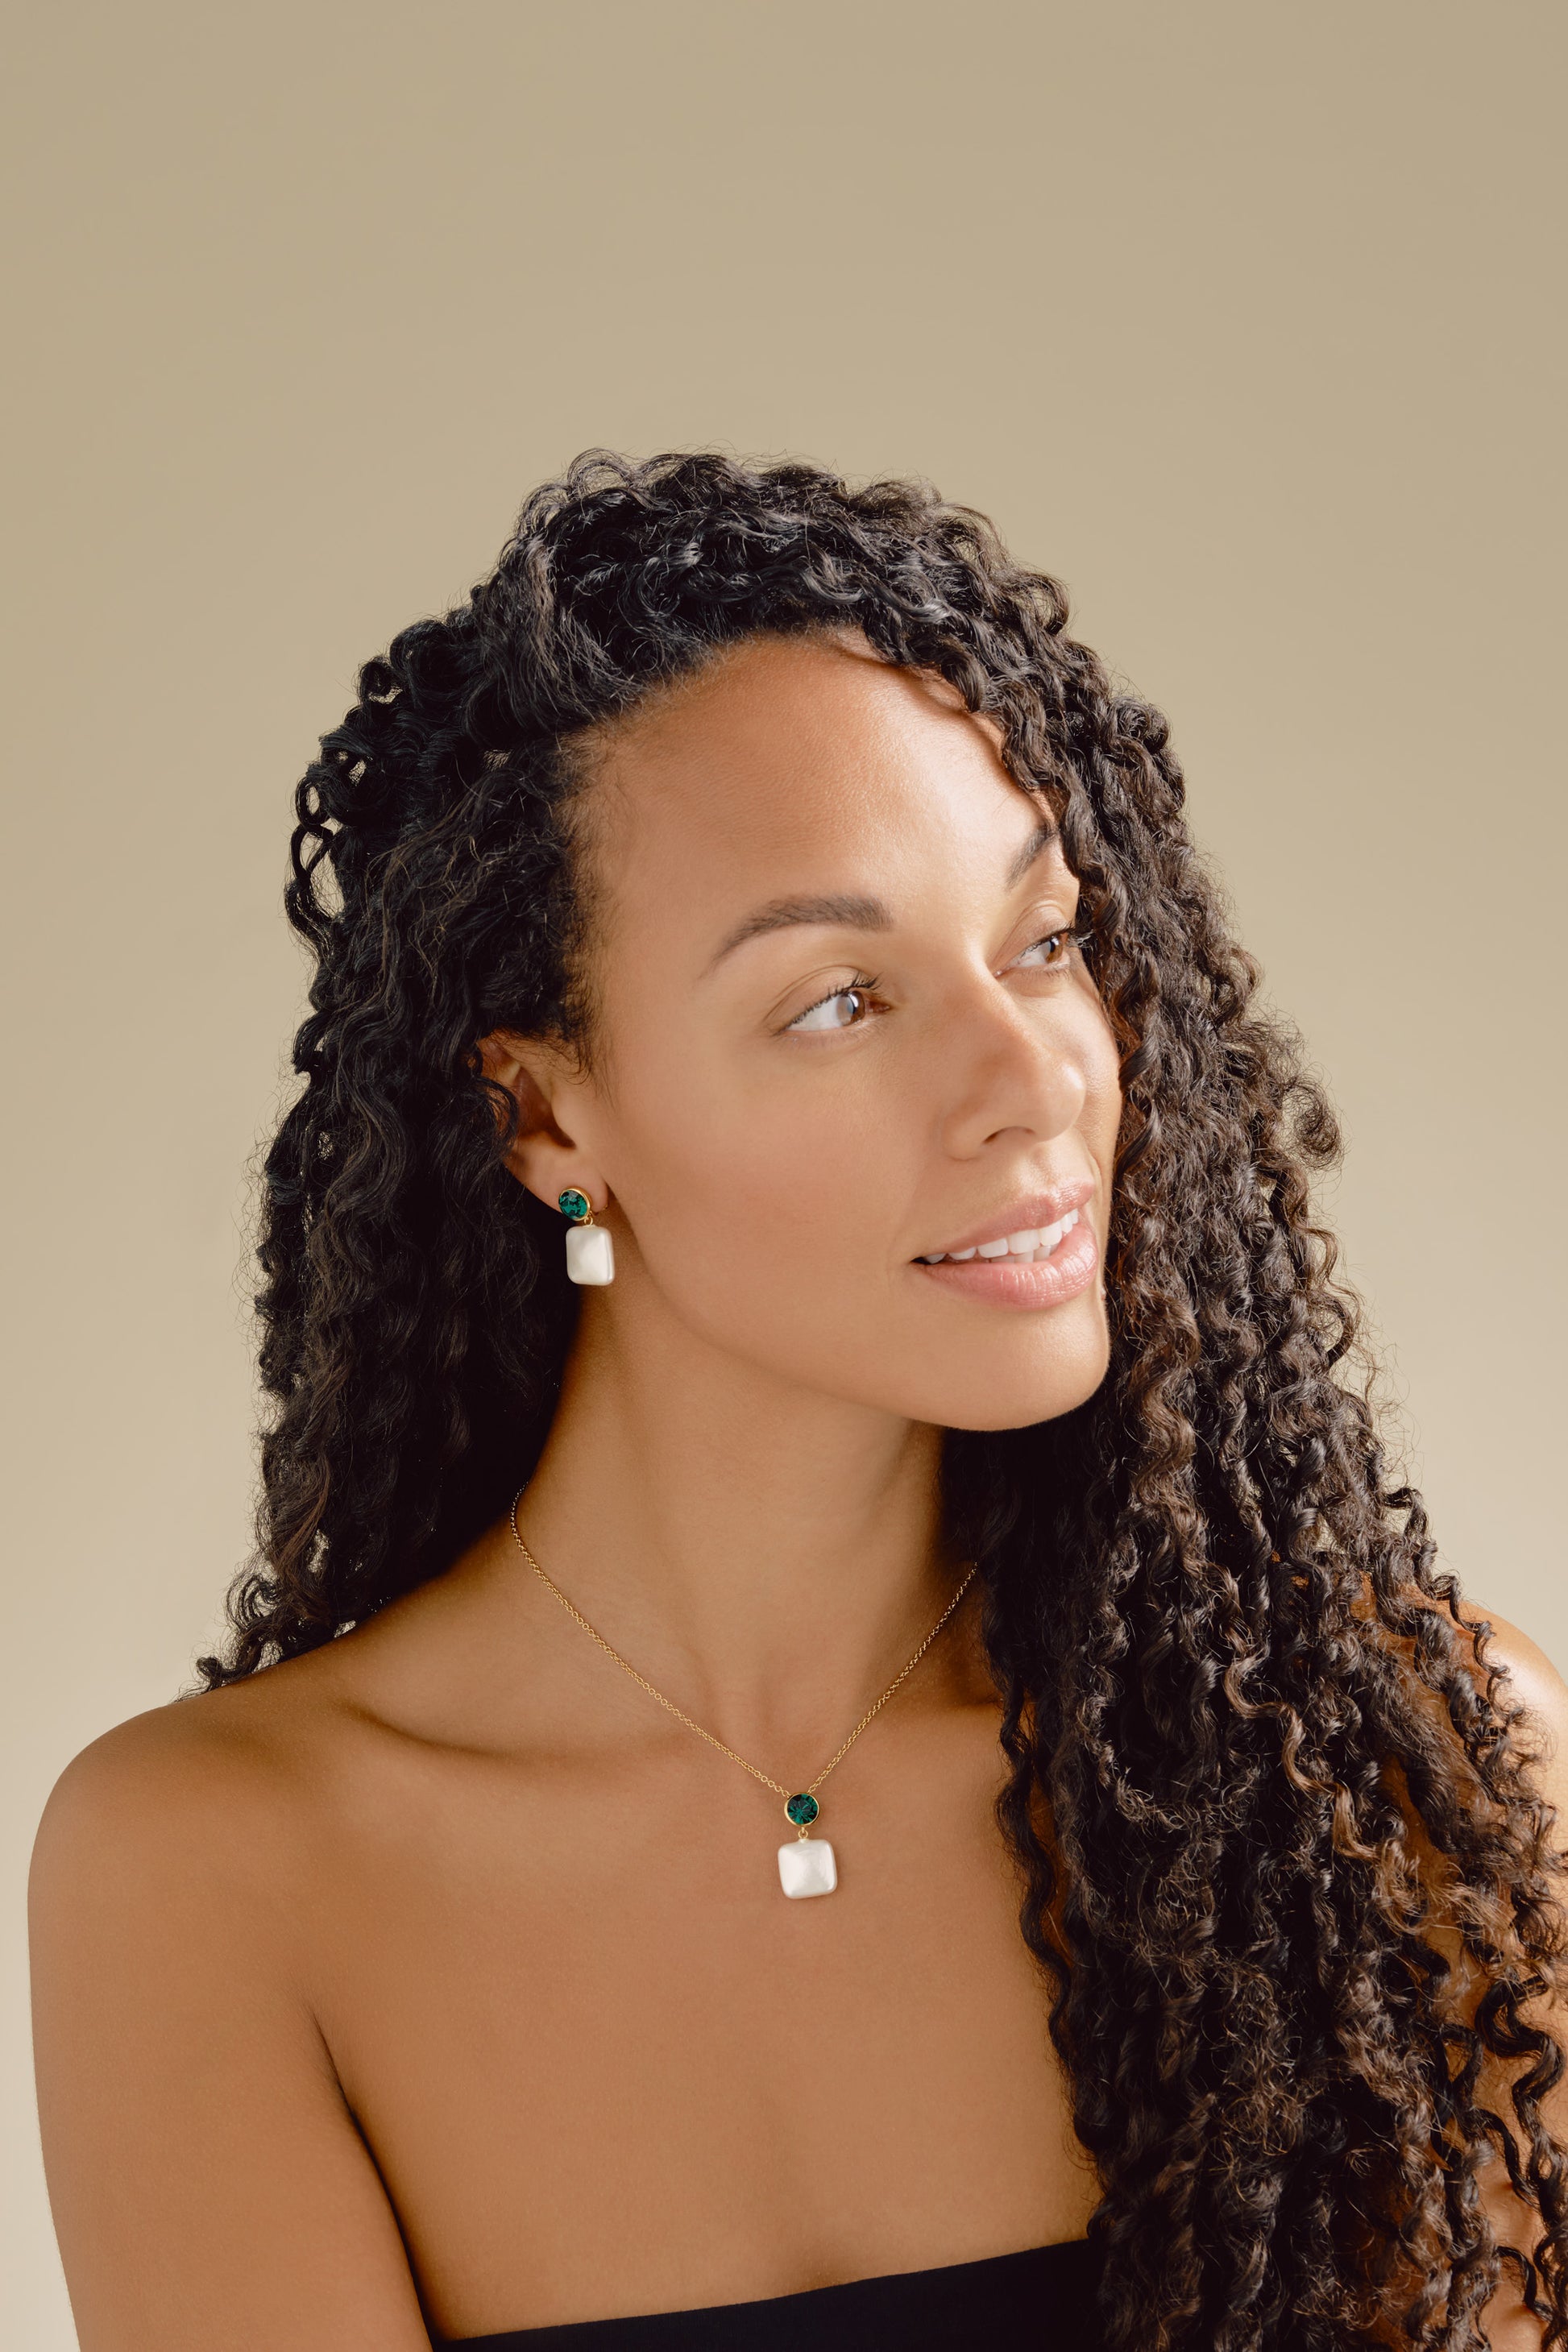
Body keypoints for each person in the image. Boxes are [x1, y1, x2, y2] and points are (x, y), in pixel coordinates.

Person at [28, 451, 1568, 2351]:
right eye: (839, 998)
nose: (1034, 1081)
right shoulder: (223, 1877)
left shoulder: (1401, 1774)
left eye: (1046, 942)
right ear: (546, 1113)